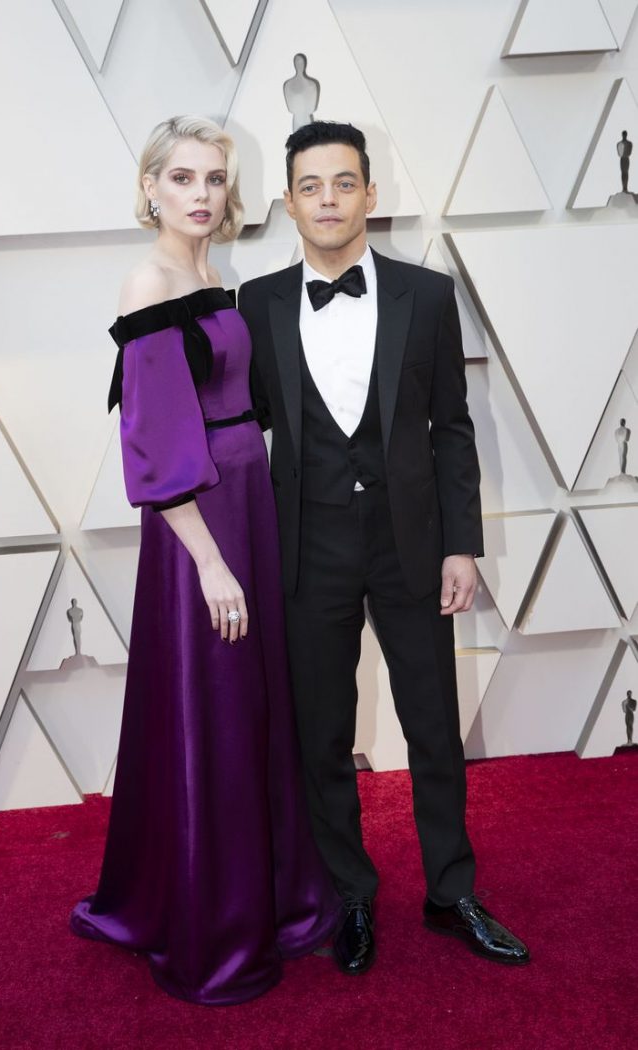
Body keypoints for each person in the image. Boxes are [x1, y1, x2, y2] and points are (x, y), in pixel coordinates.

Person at [238, 121, 529, 975]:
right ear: (288, 202)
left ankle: (451, 893)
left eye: (343, 183)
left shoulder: (427, 296)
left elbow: (453, 428)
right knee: (322, 734)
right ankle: (350, 895)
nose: (327, 199)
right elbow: (242, 423)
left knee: (433, 726)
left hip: (413, 545)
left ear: (371, 193)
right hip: (307, 547)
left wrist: (462, 546)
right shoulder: (255, 303)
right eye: (310, 186)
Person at [70, 116, 338, 1006]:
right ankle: (215, 927)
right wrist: (212, 565)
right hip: (201, 524)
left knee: (250, 705)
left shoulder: (211, 274)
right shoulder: (148, 282)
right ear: (149, 187)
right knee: (213, 709)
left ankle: (264, 895)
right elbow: (153, 443)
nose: (200, 193)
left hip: (246, 502)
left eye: (214, 179)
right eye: (182, 177)